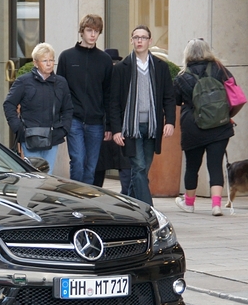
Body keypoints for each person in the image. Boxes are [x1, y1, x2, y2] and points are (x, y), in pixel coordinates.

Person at [109, 25, 175, 206]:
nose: (139, 41)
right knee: (138, 167)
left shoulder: (161, 67)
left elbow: (169, 96)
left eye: (143, 37)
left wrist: (170, 121)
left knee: (143, 169)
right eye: (136, 37)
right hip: (132, 126)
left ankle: (128, 203)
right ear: (131, 41)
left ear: (150, 41)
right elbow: (113, 101)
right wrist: (115, 130)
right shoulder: (122, 68)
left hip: (153, 126)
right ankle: (150, 210)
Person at [173, 39, 234, 216]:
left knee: (192, 166)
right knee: (215, 165)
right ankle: (216, 205)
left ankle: (189, 203)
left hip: (193, 126)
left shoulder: (182, 76)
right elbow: (233, 91)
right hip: (219, 125)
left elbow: (176, 99)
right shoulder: (219, 69)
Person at [56, 14, 113, 184]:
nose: (93, 34)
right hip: (74, 119)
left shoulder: (105, 60)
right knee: (78, 161)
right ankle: (76, 197)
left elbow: (109, 94)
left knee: (91, 166)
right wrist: (62, 117)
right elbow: (60, 89)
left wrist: (108, 124)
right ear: (82, 31)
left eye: (96, 31)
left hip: (96, 121)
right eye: (89, 30)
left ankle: (86, 202)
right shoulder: (67, 57)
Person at [3, 43, 73, 173]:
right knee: (34, 176)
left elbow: (68, 108)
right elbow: (9, 104)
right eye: (45, 60)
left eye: (51, 60)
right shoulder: (23, 82)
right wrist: (18, 128)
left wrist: (64, 129)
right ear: (36, 63)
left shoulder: (61, 83)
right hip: (30, 136)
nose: (49, 64)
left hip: (53, 136)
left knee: (48, 175)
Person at [93, 48, 131, 194]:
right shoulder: (121, 77)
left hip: (112, 128)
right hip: (111, 128)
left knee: (100, 168)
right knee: (122, 168)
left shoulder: (120, 78)